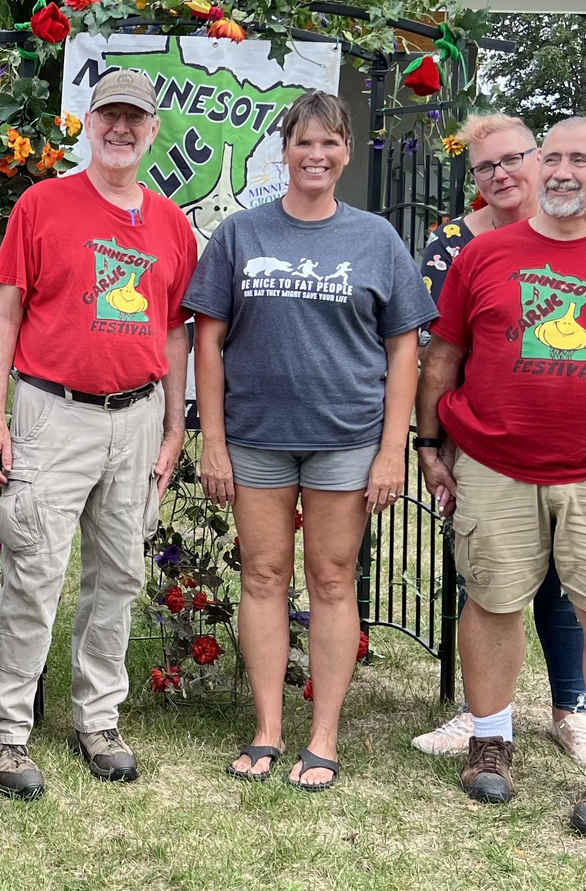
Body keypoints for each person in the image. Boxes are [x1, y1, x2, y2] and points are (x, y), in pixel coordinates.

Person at [419, 116, 586, 835]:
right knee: (492, 602)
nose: (565, 170)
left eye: (583, 160)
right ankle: (490, 740)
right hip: (494, 465)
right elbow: (442, 357)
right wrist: (427, 444)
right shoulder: (486, 255)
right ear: (540, 168)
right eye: (557, 157)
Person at [184, 90, 435, 791]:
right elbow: (209, 340)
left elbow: (405, 350)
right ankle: (267, 730)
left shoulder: (376, 239)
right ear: (284, 152)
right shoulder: (241, 235)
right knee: (262, 577)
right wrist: (213, 440)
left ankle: (322, 735)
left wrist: (393, 449)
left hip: (346, 438)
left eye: (329, 144)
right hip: (256, 436)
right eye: (303, 143)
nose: (315, 155)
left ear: (346, 152)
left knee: (330, 580)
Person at [0, 68, 197, 798]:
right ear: (89, 122)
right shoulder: (43, 205)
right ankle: (5, 733)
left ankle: (97, 719)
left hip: (135, 419)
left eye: (135, 118)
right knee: (33, 574)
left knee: (119, 577)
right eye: (109, 116)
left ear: (152, 129)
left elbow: (172, 332)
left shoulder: (170, 224)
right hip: (52, 412)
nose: (120, 129)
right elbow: (4, 315)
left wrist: (174, 427)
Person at [412, 114, 586, 763]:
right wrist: (439, 441)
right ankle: (483, 716)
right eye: (486, 166)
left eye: (514, 158)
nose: (502, 174)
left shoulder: (576, 231)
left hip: (571, 441)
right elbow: (437, 351)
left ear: (539, 157)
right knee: (487, 574)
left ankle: (572, 709)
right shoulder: (452, 245)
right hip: (481, 440)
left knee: (567, 581)